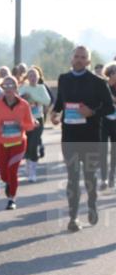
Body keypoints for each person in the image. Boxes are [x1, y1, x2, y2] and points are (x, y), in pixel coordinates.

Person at [51, 46, 115, 231]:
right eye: (76, 56)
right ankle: (73, 217)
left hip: (90, 137)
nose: (79, 60)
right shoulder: (64, 79)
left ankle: (92, 205)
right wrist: (55, 114)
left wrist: (92, 112)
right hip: (69, 136)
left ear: (88, 61)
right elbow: (60, 102)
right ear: (71, 59)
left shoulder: (98, 82)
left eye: (83, 57)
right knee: (72, 177)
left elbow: (109, 108)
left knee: (89, 177)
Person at [0, 76, 38, 210]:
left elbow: (30, 125)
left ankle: (12, 199)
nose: (8, 88)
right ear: (2, 88)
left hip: (18, 142)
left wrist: (21, 125)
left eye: (11, 85)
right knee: (4, 174)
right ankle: (8, 183)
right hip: (1, 143)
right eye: (5, 86)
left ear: (16, 87)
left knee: (12, 170)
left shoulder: (24, 104)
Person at [18, 67, 51, 182]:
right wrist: (23, 98)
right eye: (30, 76)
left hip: (38, 119)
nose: (32, 78)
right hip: (25, 120)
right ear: (27, 77)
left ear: (38, 77)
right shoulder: (23, 88)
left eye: (34, 76)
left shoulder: (41, 88)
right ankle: (28, 166)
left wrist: (33, 98)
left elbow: (47, 101)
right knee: (26, 145)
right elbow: (17, 100)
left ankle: (33, 172)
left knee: (34, 144)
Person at [102, 62, 116, 190]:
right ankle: (104, 178)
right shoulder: (103, 86)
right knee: (103, 150)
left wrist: (111, 98)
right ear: (110, 74)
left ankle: (112, 176)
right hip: (104, 122)